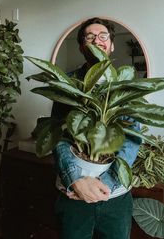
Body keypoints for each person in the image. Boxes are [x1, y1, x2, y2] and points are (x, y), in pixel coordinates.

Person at [52, 17, 141, 239]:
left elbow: (132, 139)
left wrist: (106, 183)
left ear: (111, 45)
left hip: (115, 196)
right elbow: (58, 133)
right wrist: (75, 179)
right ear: (82, 46)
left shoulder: (125, 84)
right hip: (73, 194)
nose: (97, 40)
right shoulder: (69, 82)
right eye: (89, 36)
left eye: (103, 36)